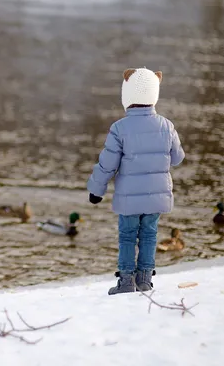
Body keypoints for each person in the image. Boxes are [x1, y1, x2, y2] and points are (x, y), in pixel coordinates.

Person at [87, 67, 185, 295]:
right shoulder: (166, 126)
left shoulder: (119, 128)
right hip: (157, 196)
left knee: (128, 236)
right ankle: (145, 280)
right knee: (150, 234)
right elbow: (177, 158)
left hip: (129, 198)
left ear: (127, 95)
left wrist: (96, 190)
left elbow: (107, 164)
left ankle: (126, 281)